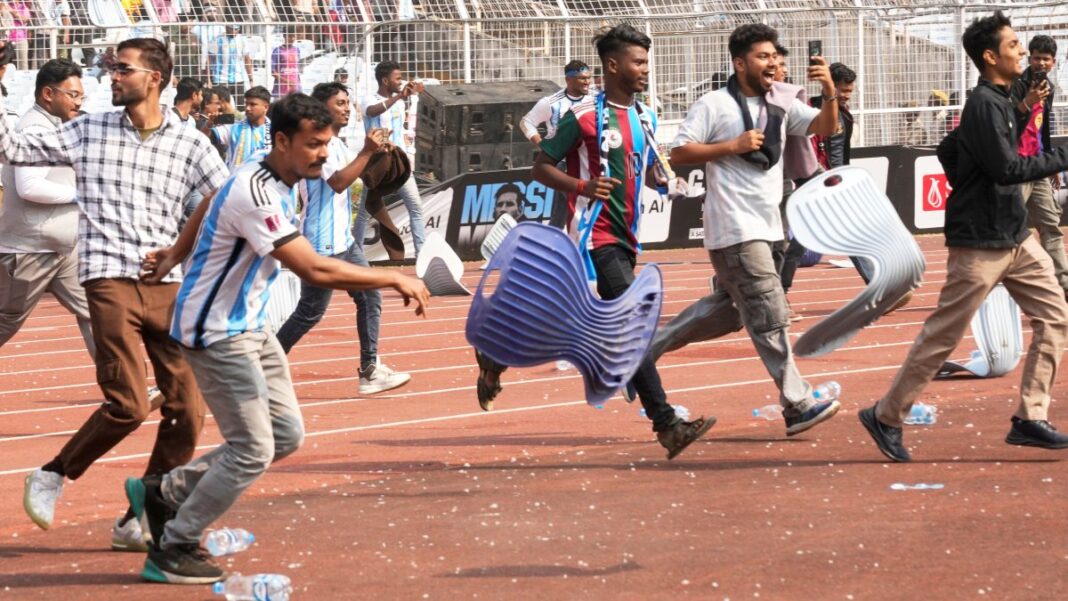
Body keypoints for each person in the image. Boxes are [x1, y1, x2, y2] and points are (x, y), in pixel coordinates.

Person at [124, 93, 429, 584]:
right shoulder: (256, 191)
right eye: (314, 144)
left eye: (327, 143)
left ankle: (166, 491)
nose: (324, 153)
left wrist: (173, 254)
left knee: (285, 436)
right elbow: (309, 267)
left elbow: (208, 201)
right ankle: (174, 545)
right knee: (251, 449)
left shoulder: (272, 174)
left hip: (250, 324)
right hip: (215, 331)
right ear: (282, 141)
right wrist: (392, 278)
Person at [0, 38, 228, 549]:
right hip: (107, 279)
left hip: (166, 284)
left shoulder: (189, 142)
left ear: (155, 78)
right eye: (110, 67)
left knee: (187, 408)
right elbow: (13, 150)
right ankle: (54, 473)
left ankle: (140, 517)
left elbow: (224, 195)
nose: (111, 77)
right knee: (127, 403)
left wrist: (183, 247)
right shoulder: (86, 129)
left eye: (122, 69)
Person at [859, 12, 1068, 462]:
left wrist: (968, 181)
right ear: (991, 56)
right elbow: (1007, 169)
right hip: (980, 243)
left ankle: (1030, 417)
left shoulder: (1005, 100)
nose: (1022, 52)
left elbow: (948, 149)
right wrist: (1062, 155)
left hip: (1015, 236)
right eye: (1013, 45)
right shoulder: (983, 104)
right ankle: (886, 415)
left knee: (1055, 317)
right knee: (943, 336)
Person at [529, 24, 715, 459]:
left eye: (647, 62)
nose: (646, 70)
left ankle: (495, 355)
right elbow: (541, 167)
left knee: (601, 325)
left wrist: (663, 179)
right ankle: (667, 424)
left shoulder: (645, 115)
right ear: (613, 66)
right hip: (596, 233)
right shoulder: (583, 118)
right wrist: (581, 186)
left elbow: (647, 166)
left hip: (628, 234)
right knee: (634, 323)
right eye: (639, 62)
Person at [648, 23, 842, 437]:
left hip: (770, 226)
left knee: (730, 313)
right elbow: (680, 152)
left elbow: (826, 127)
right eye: (762, 56)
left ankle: (642, 353)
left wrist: (828, 91)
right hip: (734, 228)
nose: (772, 62)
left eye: (775, 55)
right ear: (739, 63)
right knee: (770, 316)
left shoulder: (782, 102)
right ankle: (797, 402)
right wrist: (731, 146)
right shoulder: (714, 104)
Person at [275, 82, 411, 395]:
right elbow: (338, 181)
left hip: (344, 242)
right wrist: (366, 151)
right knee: (310, 313)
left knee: (370, 296)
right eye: (340, 103)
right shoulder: (315, 144)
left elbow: (356, 171)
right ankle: (264, 366)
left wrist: (377, 153)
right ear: (323, 108)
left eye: (348, 102)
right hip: (321, 244)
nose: (347, 108)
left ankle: (370, 369)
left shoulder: (336, 143)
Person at [0, 60, 94, 358]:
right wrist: (81, 195)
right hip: (30, 250)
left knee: (97, 313)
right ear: (48, 94)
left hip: (63, 250)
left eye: (81, 96)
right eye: (73, 94)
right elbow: (30, 187)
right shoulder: (35, 129)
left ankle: (123, 392)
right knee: (5, 322)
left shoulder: (58, 128)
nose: (78, 102)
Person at [1010, 35, 1068, 299]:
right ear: (1029, 58)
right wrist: (1027, 101)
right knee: (1009, 226)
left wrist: (1051, 164)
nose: (1041, 63)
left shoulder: (1051, 87)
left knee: (1050, 225)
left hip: (1038, 165)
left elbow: (1042, 127)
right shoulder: (1015, 84)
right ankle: (999, 280)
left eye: (1046, 59)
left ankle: (1063, 284)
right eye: (1036, 58)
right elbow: (1006, 123)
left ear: (1053, 62)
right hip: (1015, 167)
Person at [354, 60, 426, 256]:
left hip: (398, 164)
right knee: (363, 214)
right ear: (385, 81)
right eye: (398, 79)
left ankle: (422, 255)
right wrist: (398, 98)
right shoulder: (369, 98)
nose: (400, 82)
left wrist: (413, 90)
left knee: (416, 207)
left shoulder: (400, 101)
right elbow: (372, 111)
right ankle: (356, 256)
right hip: (377, 164)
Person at [520, 59, 593, 229]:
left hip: (587, 159)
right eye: (582, 78)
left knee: (562, 209)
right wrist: (543, 145)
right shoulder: (551, 102)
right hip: (562, 162)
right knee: (575, 200)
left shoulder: (595, 99)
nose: (587, 82)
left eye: (589, 77)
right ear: (568, 79)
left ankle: (554, 238)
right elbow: (526, 122)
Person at [210, 85, 271, 169]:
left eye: (253, 104)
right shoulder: (235, 127)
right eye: (246, 104)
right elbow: (206, 137)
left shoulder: (274, 131)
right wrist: (208, 124)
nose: (247, 108)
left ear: (266, 107)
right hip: (237, 179)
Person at [206, 23, 253, 95]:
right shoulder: (217, 40)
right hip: (221, 80)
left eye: (237, 29)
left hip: (238, 79)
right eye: (232, 29)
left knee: (239, 104)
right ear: (227, 28)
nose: (235, 31)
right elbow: (209, 60)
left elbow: (247, 59)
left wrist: (251, 79)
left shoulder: (242, 39)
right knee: (221, 104)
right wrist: (208, 79)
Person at [270, 27, 302, 96]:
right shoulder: (278, 51)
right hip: (281, 89)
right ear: (284, 36)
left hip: (295, 87)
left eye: (294, 36)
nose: (292, 39)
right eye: (290, 36)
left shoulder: (297, 50)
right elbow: (273, 72)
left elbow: (297, 68)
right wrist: (287, 81)